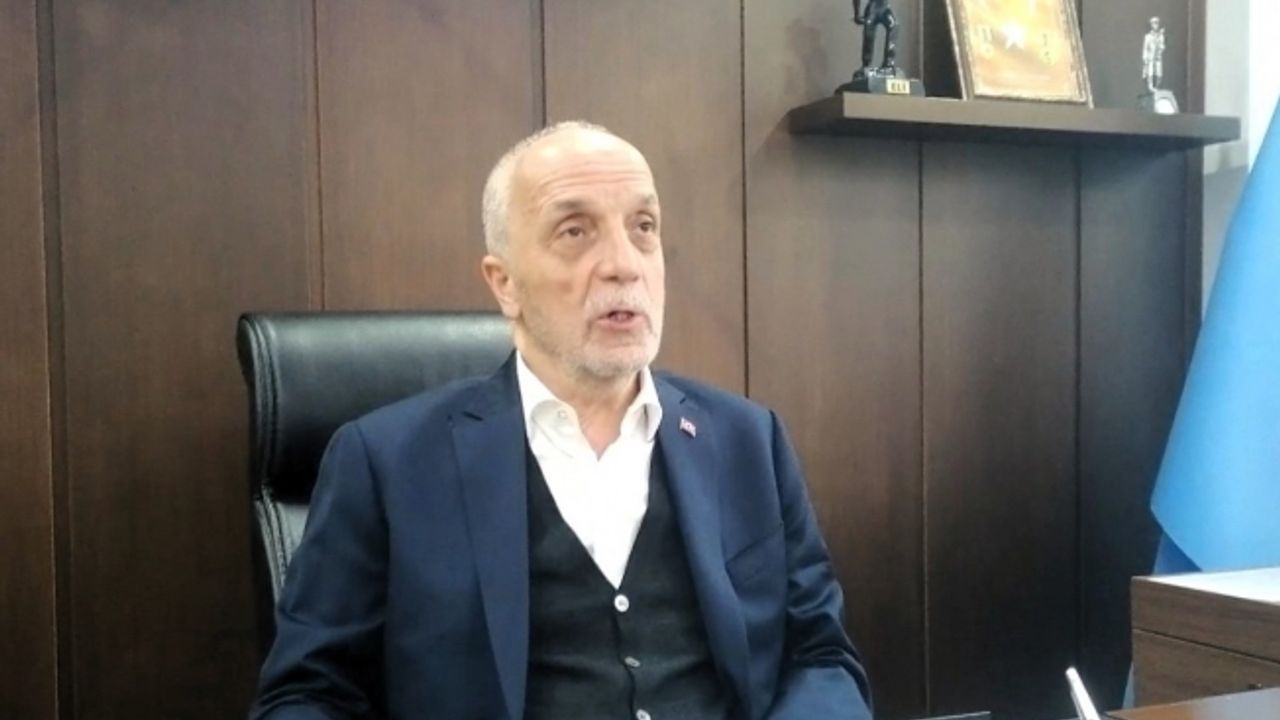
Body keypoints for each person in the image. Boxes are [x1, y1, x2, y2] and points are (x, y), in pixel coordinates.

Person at [249, 121, 873, 720]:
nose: (624, 264)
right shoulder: (386, 463)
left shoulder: (749, 442)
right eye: (575, 232)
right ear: (505, 284)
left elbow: (820, 656)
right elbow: (308, 695)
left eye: (643, 228)